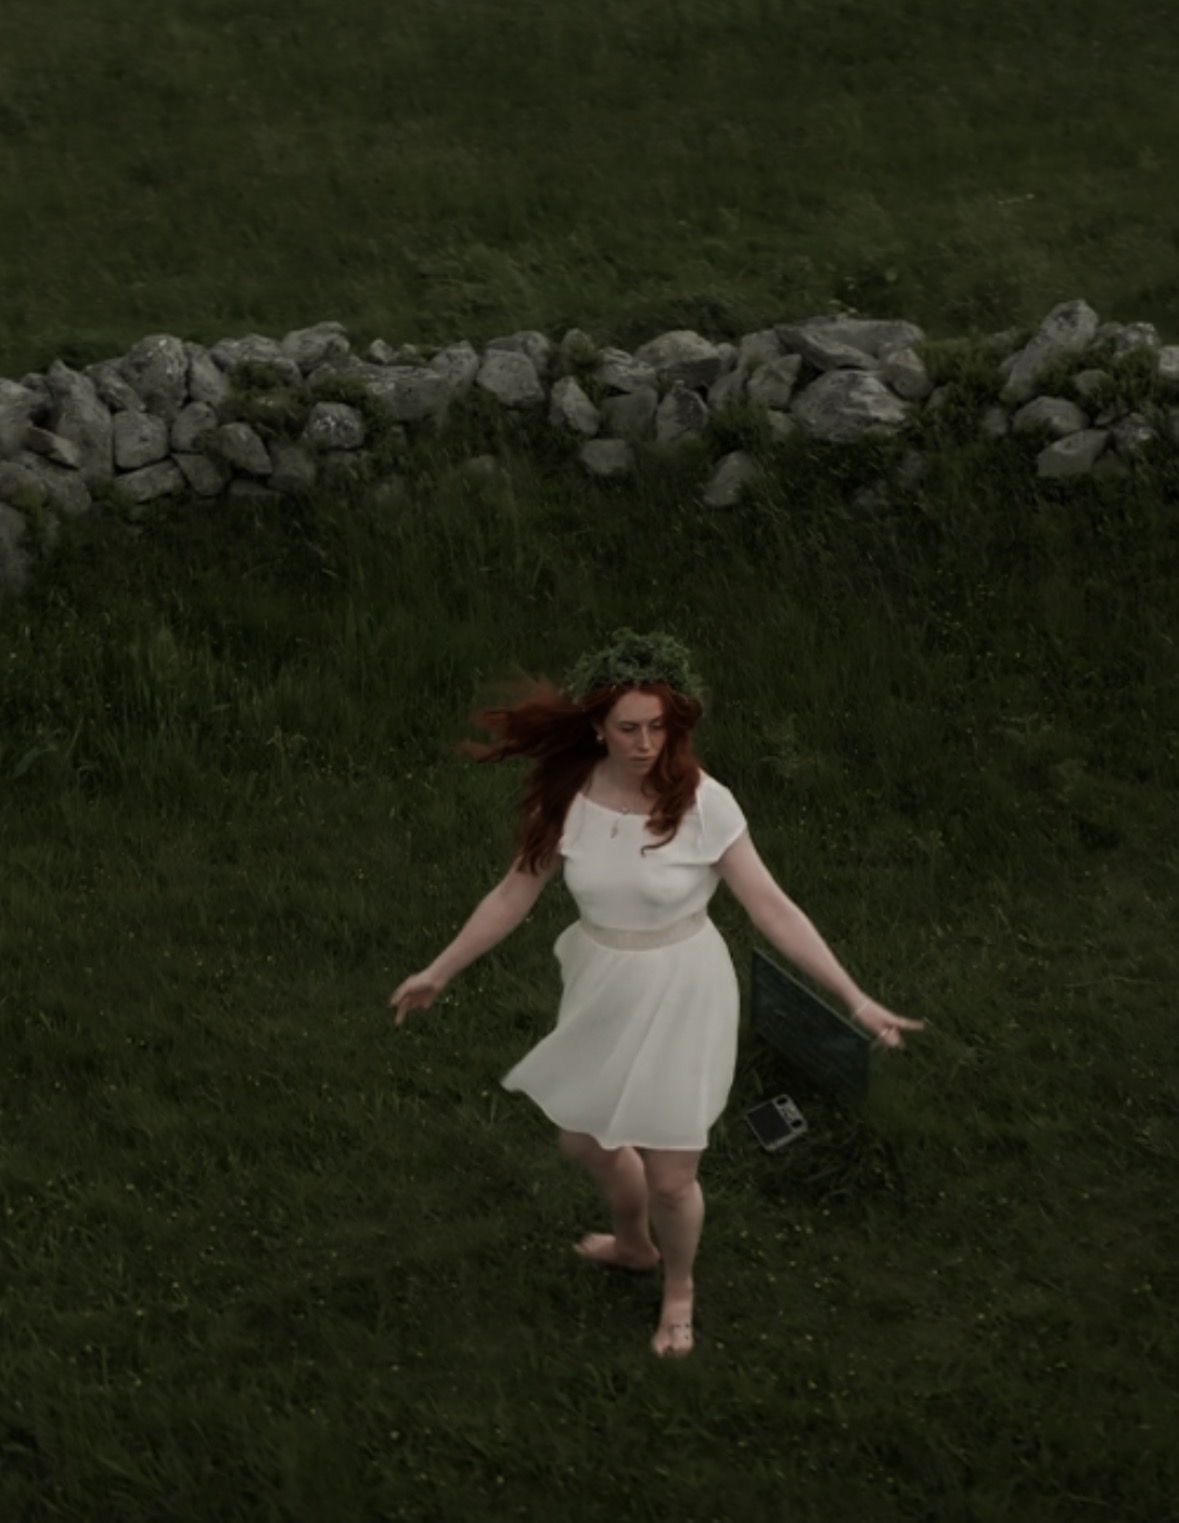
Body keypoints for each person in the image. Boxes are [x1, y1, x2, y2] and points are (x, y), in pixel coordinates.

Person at [390, 628, 923, 1358]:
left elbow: (772, 907)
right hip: (602, 980)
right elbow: (513, 892)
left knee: (672, 1176)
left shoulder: (704, 803)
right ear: (598, 728)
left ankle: (678, 1289)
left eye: (658, 726)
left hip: (682, 986)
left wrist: (854, 998)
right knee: (585, 1137)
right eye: (628, 728)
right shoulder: (566, 799)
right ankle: (634, 1245)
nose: (645, 743)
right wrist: (439, 968)